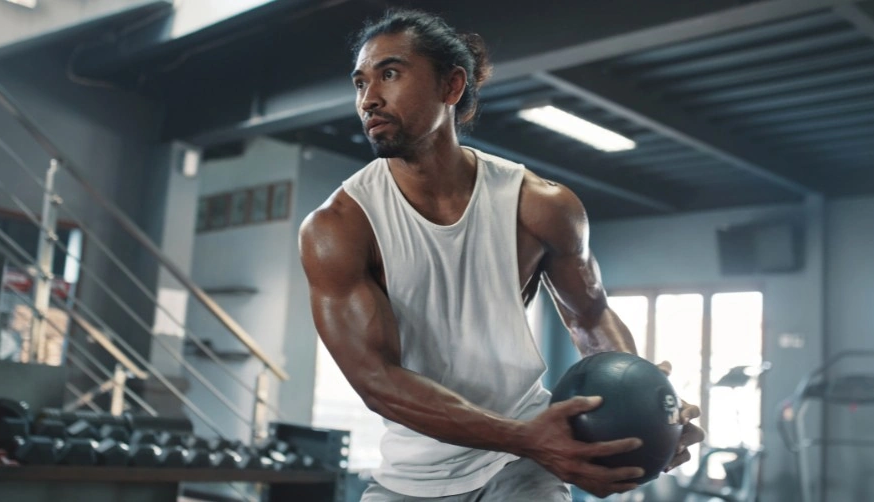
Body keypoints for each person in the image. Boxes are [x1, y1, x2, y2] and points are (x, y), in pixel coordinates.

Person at [299, 8, 704, 501]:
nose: (369, 98)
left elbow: (591, 316)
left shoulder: (540, 205)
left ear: (451, 87)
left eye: (389, 74)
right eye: (360, 82)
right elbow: (375, 380)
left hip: (522, 467)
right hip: (413, 473)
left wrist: (645, 409)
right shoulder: (338, 226)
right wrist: (526, 435)